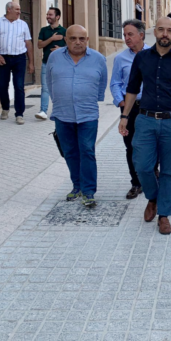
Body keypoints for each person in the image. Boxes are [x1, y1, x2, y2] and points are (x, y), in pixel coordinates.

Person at [119, 17, 171, 235]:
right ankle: (152, 197)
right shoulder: (142, 58)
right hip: (144, 120)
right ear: (154, 31)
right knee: (142, 165)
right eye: (161, 29)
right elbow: (132, 88)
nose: (165, 34)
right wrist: (125, 117)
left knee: (169, 171)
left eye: (169, 30)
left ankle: (164, 215)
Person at [47, 25, 108, 208]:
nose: (77, 42)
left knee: (87, 151)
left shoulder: (98, 59)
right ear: (65, 39)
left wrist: (92, 99)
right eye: (73, 38)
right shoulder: (54, 57)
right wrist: (59, 99)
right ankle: (77, 186)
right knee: (70, 153)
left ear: (87, 40)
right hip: (62, 114)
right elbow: (50, 82)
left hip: (87, 114)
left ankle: (89, 191)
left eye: (81, 38)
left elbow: (102, 82)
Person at [111, 20, 150, 200]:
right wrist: (121, 102)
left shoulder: (153, 54)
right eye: (124, 35)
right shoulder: (120, 58)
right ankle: (136, 183)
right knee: (131, 147)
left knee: (151, 144)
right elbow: (115, 83)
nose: (126, 38)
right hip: (129, 109)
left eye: (130, 34)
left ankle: (152, 173)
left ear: (141, 35)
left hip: (150, 107)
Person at [0, 2, 34, 125]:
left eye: (20, 9)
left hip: (19, 58)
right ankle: (5, 108)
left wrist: (31, 62)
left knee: (19, 86)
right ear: (9, 9)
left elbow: (28, 43)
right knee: (2, 85)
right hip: (3, 58)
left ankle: (19, 114)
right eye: (17, 9)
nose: (19, 12)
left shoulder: (23, 24)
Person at [36, 7, 66, 120]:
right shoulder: (44, 30)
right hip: (46, 63)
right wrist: (52, 39)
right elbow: (40, 45)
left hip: (60, 65)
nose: (48, 16)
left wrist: (61, 49)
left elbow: (71, 47)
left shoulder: (65, 31)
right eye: (47, 14)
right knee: (45, 88)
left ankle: (60, 111)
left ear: (57, 17)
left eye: (50, 15)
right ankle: (43, 111)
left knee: (60, 88)